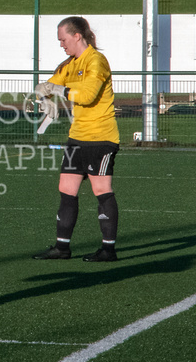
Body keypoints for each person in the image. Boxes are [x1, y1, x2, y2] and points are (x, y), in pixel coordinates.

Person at [32, 16, 120, 262]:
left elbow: (88, 95)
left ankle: (108, 250)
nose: (61, 44)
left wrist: (56, 91)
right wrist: (44, 99)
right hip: (76, 138)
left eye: (63, 39)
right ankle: (62, 247)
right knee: (66, 189)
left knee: (101, 190)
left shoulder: (96, 61)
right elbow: (44, 86)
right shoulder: (68, 64)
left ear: (77, 36)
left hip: (101, 138)